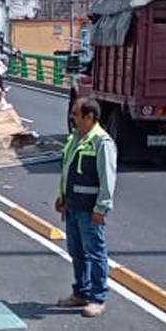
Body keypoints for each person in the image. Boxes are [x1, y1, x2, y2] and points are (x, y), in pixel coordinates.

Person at [54, 98, 118, 318]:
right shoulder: (75, 139)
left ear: (89, 117)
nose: (72, 117)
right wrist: (62, 198)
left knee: (95, 253)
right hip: (72, 206)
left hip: (90, 210)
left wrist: (101, 209)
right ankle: (81, 292)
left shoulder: (102, 142)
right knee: (76, 252)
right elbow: (67, 170)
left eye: (76, 113)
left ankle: (97, 298)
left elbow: (107, 180)